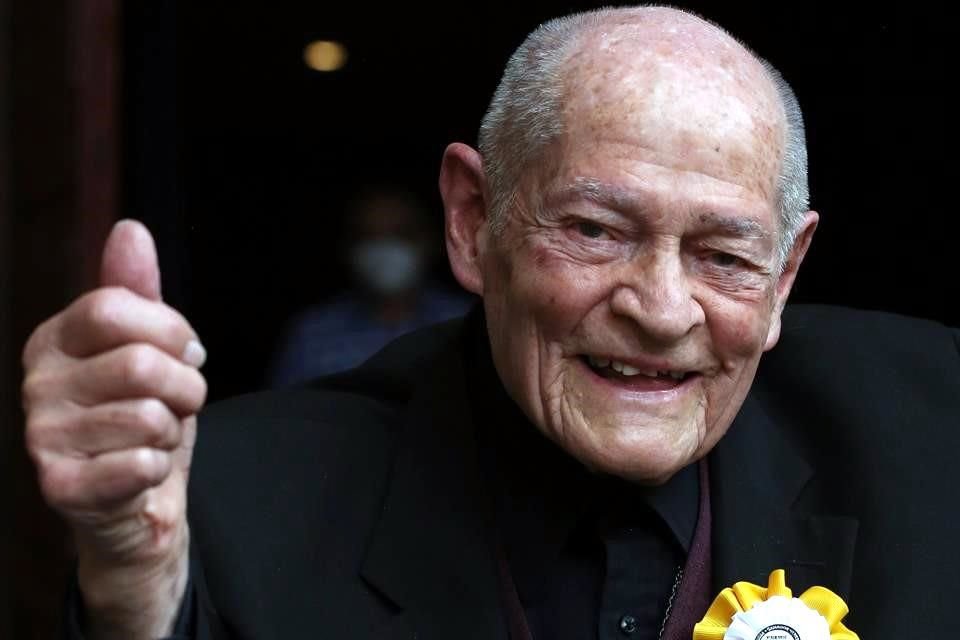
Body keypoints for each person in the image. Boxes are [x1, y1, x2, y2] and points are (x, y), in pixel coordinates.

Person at [20, 6, 959, 640]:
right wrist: (136, 599)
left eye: (725, 256)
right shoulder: (233, 509)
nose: (663, 310)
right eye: (595, 230)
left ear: (787, 272)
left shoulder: (932, 440)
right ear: (472, 222)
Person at [267, 185, 472, 386]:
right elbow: (278, 412)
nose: (384, 248)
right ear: (347, 248)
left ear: (432, 241)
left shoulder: (467, 322)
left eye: (401, 233)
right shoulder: (311, 334)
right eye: (368, 235)